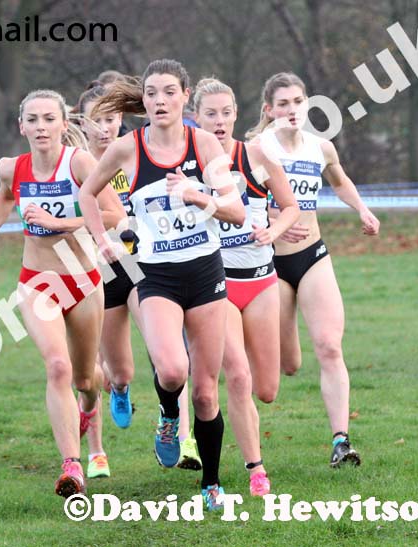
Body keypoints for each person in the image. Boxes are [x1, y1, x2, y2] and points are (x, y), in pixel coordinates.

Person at [78, 59, 245, 509]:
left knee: (207, 391)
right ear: (144, 100)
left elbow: (236, 213)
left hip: (206, 272)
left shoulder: (206, 144)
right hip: (156, 275)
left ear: (184, 96)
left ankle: (211, 482)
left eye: (169, 91)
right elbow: (86, 193)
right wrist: (102, 241)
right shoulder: (128, 149)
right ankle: (169, 415)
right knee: (173, 370)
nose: (159, 101)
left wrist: (195, 194)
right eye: (151, 93)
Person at [0, 89, 124, 497]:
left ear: (63, 124)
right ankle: (72, 467)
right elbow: (5, 195)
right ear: (21, 126)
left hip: (83, 279)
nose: (41, 127)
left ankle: (90, 406)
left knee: (87, 379)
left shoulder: (79, 164)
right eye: (33, 119)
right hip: (37, 281)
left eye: (49, 119)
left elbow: (113, 214)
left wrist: (61, 224)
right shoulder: (12, 168)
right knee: (58, 367)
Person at [247, 72, 380, 467]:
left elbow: (339, 182)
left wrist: (362, 209)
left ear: (307, 105)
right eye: (283, 104)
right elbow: (239, 201)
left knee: (329, 345)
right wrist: (273, 224)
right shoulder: (256, 150)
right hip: (271, 264)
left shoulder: (320, 148)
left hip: (313, 257)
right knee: (289, 365)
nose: (292, 110)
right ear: (268, 110)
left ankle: (341, 440)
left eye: (298, 102)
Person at [76, 85, 203, 471]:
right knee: (111, 369)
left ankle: (185, 440)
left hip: (143, 265)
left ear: (121, 119)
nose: (103, 128)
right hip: (98, 270)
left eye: (110, 119)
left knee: (170, 354)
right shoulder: (78, 164)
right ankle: (114, 403)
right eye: (94, 120)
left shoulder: (135, 153)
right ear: (81, 123)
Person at [194, 77, 300, 495]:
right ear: (196, 117)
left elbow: (290, 207)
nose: (218, 122)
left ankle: (245, 430)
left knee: (267, 389)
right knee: (236, 377)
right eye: (210, 114)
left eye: (225, 113)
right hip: (215, 284)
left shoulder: (256, 154)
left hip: (260, 283)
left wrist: (274, 230)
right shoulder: (189, 161)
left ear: (236, 114)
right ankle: (256, 468)